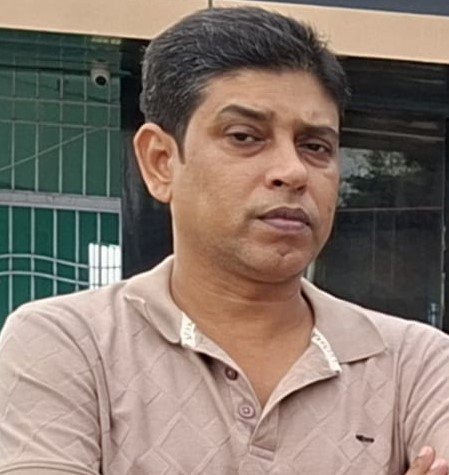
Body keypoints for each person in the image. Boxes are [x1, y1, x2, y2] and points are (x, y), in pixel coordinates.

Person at [0, 6, 448, 475]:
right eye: (245, 136)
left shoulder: (415, 363)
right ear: (160, 162)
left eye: (315, 146)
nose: (293, 171)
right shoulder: (68, 343)